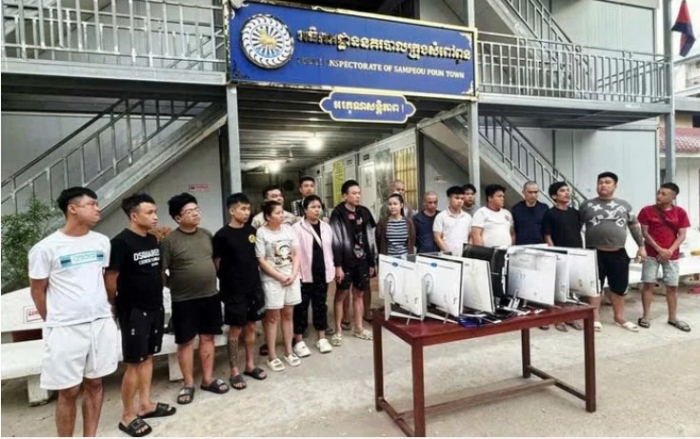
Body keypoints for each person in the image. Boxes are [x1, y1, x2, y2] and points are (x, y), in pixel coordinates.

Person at [28, 187, 118, 437]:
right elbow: (37, 291)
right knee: (68, 390)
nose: (98, 208)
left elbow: (100, 279)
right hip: (65, 328)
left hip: (99, 323)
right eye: (92, 204)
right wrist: (54, 320)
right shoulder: (46, 248)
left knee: (96, 383)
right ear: (73, 208)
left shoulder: (101, 242)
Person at [105, 193, 176, 437]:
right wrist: (114, 303)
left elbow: (156, 272)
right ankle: (127, 415)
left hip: (154, 306)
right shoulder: (120, 243)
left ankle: (145, 405)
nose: (155, 217)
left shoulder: (152, 240)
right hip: (133, 310)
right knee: (134, 363)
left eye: (155, 212)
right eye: (149, 212)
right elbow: (111, 278)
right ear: (134, 216)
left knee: (148, 358)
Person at [161, 193, 229, 405]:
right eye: (190, 211)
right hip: (183, 300)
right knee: (185, 342)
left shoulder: (207, 234)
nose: (196, 214)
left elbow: (215, 261)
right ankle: (188, 384)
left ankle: (207, 379)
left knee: (208, 338)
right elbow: (160, 272)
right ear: (177, 218)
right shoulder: (169, 241)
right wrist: (173, 285)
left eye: (196, 209)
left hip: (210, 296)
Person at [212, 193, 268, 390]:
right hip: (233, 289)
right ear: (231, 210)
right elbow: (216, 263)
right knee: (235, 329)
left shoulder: (252, 231)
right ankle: (234, 370)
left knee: (251, 326)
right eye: (242, 209)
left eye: (248, 209)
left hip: (253, 287)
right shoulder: (221, 235)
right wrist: (228, 280)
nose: (246, 212)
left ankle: (250, 365)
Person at [579, 172, 645, 332]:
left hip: (618, 253)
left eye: (607, 182)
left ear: (615, 186)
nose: (603, 185)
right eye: (600, 182)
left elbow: (634, 226)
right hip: (594, 253)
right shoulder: (586, 205)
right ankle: (595, 318)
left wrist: (641, 246)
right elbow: (576, 227)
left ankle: (619, 317)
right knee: (594, 287)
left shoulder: (624, 205)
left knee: (619, 287)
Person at [637, 183, 691, 332]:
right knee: (648, 284)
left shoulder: (680, 212)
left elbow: (682, 235)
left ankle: (673, 317)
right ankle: (646, 316)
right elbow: (644, 233)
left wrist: (669, 251)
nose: (659, 196)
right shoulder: (647, 211)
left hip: (671, 256)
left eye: (663, 194)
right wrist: (659, 249)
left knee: (672, 287)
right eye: (658, 193)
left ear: (673, 197)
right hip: (651, 254)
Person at [256, 201, 302, 371]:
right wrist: (279, 276)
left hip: (291, 277)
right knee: (272, 317)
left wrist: (293, 274)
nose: (281, 215)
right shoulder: (261, 232)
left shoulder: (289, 229)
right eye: (277, 213)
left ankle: (289, 351)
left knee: (288, 314)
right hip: (272, 280)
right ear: (268, 216)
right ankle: (272, 355)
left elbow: (296, 254)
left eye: (282, 212)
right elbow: (261, 260)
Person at [330, 179, 376, 344]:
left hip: (362, 261)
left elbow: (370, 238)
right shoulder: (337, 213)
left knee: (359, 294)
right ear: (345, 196)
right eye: (354, 193)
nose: (357, 196)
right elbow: (335, 241)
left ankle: (359, 328)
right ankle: (338, 331)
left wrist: (371, 262)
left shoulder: (364, 212)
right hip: (345, 262)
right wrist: (338, 265)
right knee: (341, 295)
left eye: (359, 193)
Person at [291, 195, 336, 355]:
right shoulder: (296, 228)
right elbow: (293, 253)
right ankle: (298, 340)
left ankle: (321, 338)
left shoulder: (326, 227)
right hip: (303, 274)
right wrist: (295, 273)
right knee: (301, 307)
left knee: (320, 305)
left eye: (319, 207)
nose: (317, 210)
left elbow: (330, 250)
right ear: (305, 210)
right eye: (313, 207)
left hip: (322, 272)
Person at [542, 182, 585, 332]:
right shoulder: (550, 213)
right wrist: (554, 253)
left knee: (572, 286)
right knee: (559, 287)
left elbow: (577, 231)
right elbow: (547, 235)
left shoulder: (575, 213)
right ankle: (558, 317)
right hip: (559, 254)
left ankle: (571, 316)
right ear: (554, 196)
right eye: (562, 191)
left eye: (568, 190)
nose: (567, 193)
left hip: (576, 253)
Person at [433, 186, 471, 256]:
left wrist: (468, 252)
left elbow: (470, 237)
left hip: (464, 256)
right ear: (449, 199)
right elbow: (437, 238)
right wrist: (448, 253)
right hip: (446, 256)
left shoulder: (467, 217)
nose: (460, 201)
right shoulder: (441, 216)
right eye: (457, 198)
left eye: (462, 199)